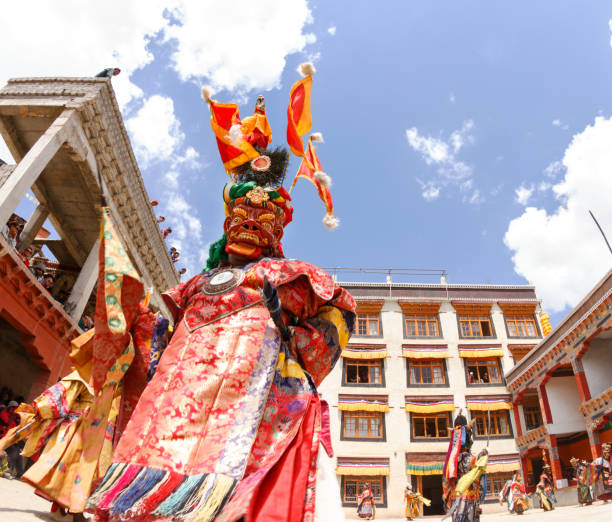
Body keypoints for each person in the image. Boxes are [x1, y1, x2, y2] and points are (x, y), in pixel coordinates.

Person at [88, 74, 355, 522]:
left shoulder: (295, 276)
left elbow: (340, 314)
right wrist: (134, 315)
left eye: (263, 216)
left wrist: (295, 343)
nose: (250, 224)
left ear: (279, 228)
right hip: (177, 395)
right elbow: (161, 341)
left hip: (249, 399)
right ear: (227, 221)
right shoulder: (194, 284)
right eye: (242, 215)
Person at [442, 412, 488, 522]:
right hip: (465, 494)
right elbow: (470, 465)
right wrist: (483, 454)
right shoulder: (463, 457)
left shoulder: (451, 460)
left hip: (456, 493)